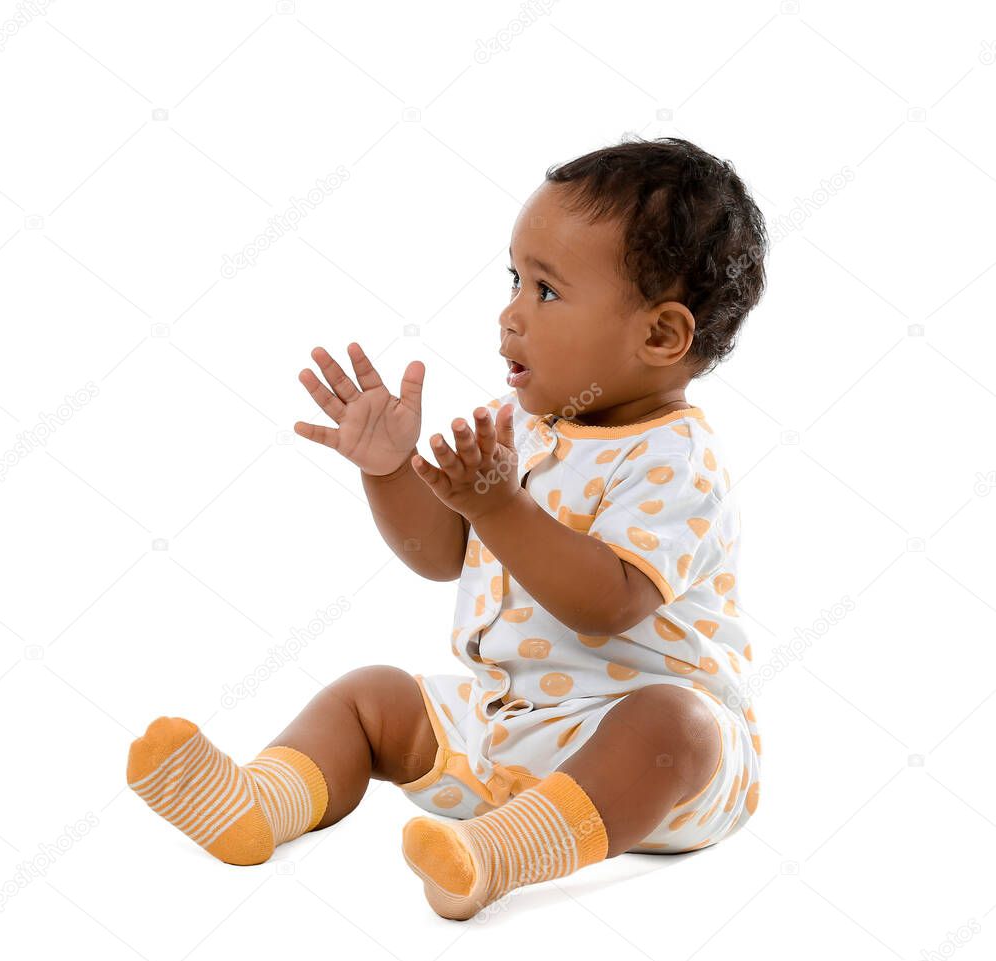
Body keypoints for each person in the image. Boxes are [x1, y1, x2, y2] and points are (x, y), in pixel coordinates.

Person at [127, 136, 768, 921]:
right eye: (514, 279)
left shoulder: (676, 458)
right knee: (371, 697)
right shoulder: (524, 426)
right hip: (508, 732)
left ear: (661, 336)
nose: (510, 315)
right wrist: (390, 470)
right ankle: (262, 802)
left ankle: (500, 852)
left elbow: (608, 604)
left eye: (547, 292)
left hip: (658, 771)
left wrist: (498, 505)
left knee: (677, 724)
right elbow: (441, 557)